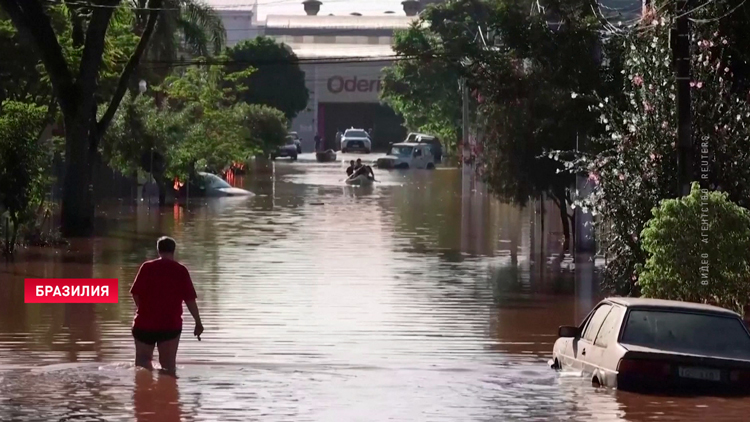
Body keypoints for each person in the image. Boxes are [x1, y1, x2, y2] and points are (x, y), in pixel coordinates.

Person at [130, 236, 204, 377]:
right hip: (170, 325)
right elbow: (190, 300)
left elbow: (135, 293)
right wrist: (198, 322)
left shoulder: (147, 267)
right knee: (168, 366)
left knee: (143, 363)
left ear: (158, 250)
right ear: (173, 250)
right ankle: (168, 396)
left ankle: (143, 394)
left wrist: (144, 309)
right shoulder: (181, 270)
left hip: (144, 324)